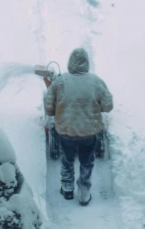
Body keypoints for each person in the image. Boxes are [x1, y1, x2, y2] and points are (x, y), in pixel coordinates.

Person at [44, 47, 113, 206]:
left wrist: (58, 110)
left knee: (67, 160)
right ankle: (84, 193)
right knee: (86, 162)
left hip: (66, 132)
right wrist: (96, 106)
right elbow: (108, 106)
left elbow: (49, 108)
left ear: (70, 63)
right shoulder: (96, 82)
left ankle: (67, 189)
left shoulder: (59, 82)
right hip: (90, 134)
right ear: (86, 63)